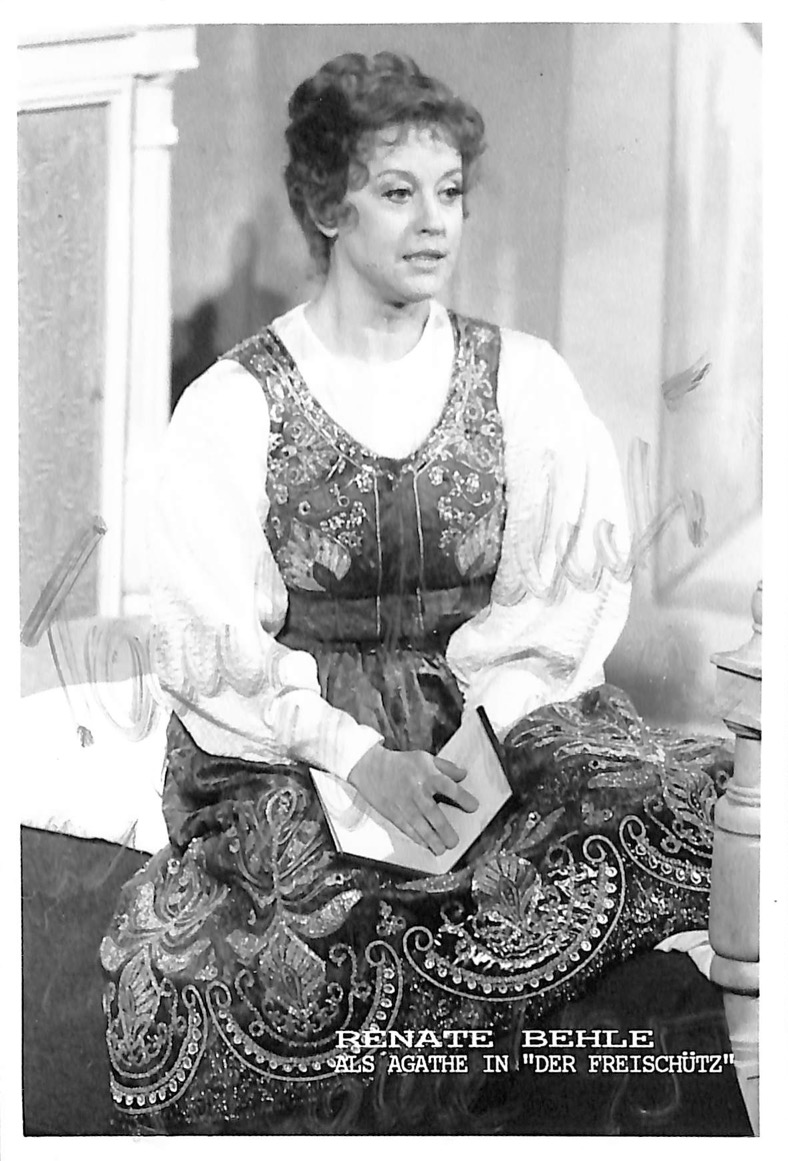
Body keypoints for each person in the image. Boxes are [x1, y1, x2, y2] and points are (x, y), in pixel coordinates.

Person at [100, 52, 733, 1135]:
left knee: (698, 806)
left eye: (450, 192)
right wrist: (357, 758)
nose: (434, 221)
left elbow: (554, 610)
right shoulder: (234, 405)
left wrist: (485, 736)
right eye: (398, 192)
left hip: (492, 723)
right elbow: (210, 644)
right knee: (252, 948)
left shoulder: (521, 377)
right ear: (326, 206)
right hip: (300, 746)